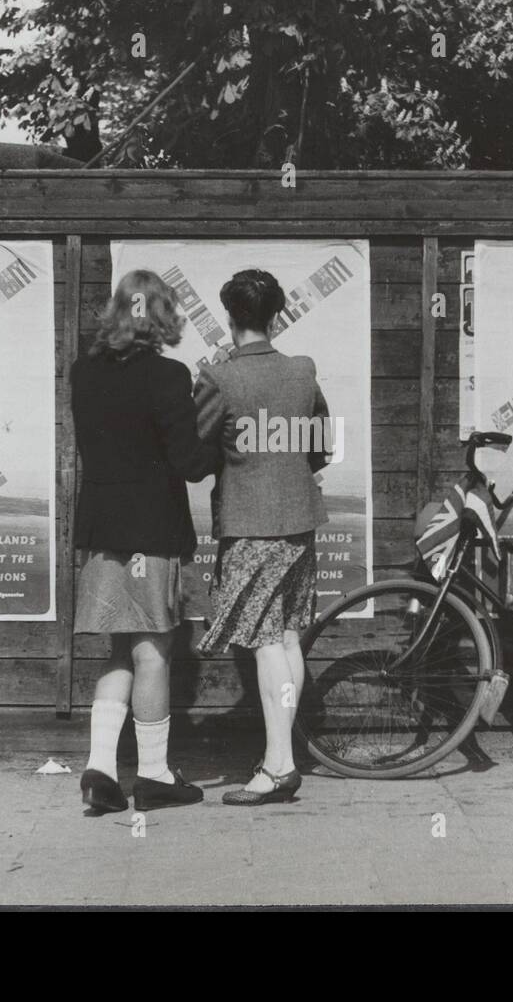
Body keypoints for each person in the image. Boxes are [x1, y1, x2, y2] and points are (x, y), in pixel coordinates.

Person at [71, 269, 220, 813]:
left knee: (118, 648)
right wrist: (214, 426)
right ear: (162, 318)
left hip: (102, 529)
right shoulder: (168, 375)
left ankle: (100, 771)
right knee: (153, 649)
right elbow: (190, 463)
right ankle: (154, 775)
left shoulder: (82, 374)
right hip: (151, 529)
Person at [194, 269, 331, 805]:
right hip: (299, 519)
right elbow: (322, 444)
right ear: (276, 317)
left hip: (250, 524)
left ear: (230, 317)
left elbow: (197, 453)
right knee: (288, 636)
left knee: (268, 641)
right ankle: (281, 757)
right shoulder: (302, 370)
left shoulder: (218, 377)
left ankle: (279, 767)